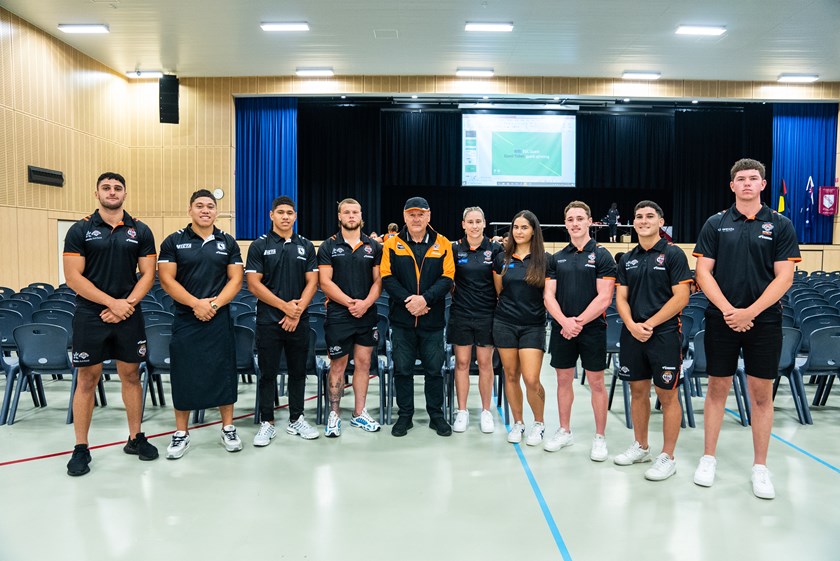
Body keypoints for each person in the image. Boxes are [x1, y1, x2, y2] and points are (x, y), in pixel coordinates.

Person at [692, 158, 800, 499]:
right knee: (716, 390)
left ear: (763, 185)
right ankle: (708, 458)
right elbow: (703, 273)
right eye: (741, 179)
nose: (748, 183)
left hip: (764, 321)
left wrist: (749, 312)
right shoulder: (715, 223)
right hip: (721, 320)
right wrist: (728, 311)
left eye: (754, 178)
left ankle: (760, 466)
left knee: (760, 394)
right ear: (732, 186)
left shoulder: (780, 224)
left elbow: (785, 275)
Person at [63, 172, 158, 476]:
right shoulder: (80, 230)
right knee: (87, 380)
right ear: (97, 193)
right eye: (106, 187)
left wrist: (124, 305)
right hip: (91, 315)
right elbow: (73, 277)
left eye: (118, 188)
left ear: (125, 194)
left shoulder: (140, 230)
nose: (112, 191)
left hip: (128, 313)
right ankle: (80, 447)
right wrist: (110, 303)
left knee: (131, 375)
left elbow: (147, 274)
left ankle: (135, 437)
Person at [157, 190, 244, 459]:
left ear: (216, 212)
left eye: (210, 206)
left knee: (224, 370)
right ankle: (181, 433)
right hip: (186, 318)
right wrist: (196, 304)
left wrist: (213, 305)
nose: (205, 210)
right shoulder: (173, 241)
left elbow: (236, 280)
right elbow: (167, 279)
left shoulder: (227, 242)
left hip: (218, 319)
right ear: (190, 210)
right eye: (199, 206)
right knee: (183, 373)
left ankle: (228, 427)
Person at [613, 200, 692, 480]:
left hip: (665, 335)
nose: (643, 220)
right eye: (638, 217)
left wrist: (649, 324)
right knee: (637, 392)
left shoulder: (673, 254)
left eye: (649, 216)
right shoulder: (627, 258)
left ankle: (668, 456)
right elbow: (620, 298)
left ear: (661, 221)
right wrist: (633, 325)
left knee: (667, 395)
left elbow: (682, 297)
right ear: (633, 223)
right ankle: (641, 446)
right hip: (633, 334)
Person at [543, 201, 616, 460]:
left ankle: (600, 437)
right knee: (563, 381)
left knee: (596, 382)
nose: (575, 223)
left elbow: (604, 298)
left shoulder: (603, 255)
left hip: (592, 329)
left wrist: (577, 323)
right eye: (570, 219)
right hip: (563, 329)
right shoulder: (556, 257)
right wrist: (564, 321)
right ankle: (565, 430)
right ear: (566, 224)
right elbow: (548, 296)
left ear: (589, 221)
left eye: (579, 218)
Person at [246, 196, 319, 445]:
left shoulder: (306, 246)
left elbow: (313, 282)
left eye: (290, 212)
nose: (285, 216)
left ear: (295, 216)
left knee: (298, 372)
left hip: (299, 320)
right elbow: (254, 284)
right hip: (269, 321)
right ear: (271, 215)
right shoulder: (259, 245)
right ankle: (267, 422)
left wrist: (296, 311)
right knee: (268, 373)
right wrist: (284, 308)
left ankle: (296, 418)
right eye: (281, 212)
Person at [381, 196, 455, 437]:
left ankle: (436, 416)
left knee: (435, 370)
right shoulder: (392, 244)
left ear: (429, 216)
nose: (416, 218)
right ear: (404, 217)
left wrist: (425, 300)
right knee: (403, 370)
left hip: (432, 321)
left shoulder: (443, 244)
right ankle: (405, 416)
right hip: (402, 321)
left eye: (420, 214)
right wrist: (410, 302)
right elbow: (387, 277)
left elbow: (448, 278)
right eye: (411, 214)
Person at [317, 198, 383, 437]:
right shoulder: (328, 246)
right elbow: (325, 282)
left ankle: (359, 413)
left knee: (364, 364)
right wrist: (349, 303)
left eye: (355, 212)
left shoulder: (374, 247)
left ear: (361, 215)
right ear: (340, 216)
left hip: (366, 314)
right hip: (339, 315)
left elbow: (379, 281)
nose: (351, 216)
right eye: (347, 212)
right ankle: (334, 415)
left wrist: (365, 304)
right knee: (338, 365)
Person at [493, 210, 550, 446]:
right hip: (505, 323)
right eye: (515, 227)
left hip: (533, 326)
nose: (519, 231)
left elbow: (548, 295)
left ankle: (539, 423)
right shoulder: (501, 259)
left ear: (533, 231)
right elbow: (499, 292)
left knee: (531, 378)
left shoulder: (545, 260)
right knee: (511, 375)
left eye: (524, 227)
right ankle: (518, 423)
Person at [449, 206, 503, 433]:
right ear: (463, 224)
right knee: (461, 364)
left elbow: (500, 284)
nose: (474, 225)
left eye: (478, 221)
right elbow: (449, 281)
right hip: (461, 313)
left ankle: (485, 411)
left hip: (486, 314)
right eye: (470, 221)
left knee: (485, 364)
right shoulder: (455, 249)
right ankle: (462, 411)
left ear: (484, 223)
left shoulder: (495, 248)